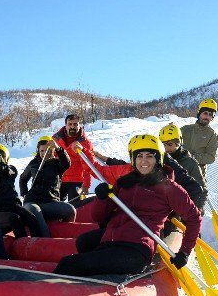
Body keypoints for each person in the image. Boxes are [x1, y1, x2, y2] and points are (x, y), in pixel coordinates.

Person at [53, 135, 201, 277]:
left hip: (136, 248)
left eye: (150, 156)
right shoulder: (125, 182)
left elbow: (194, 218)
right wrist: (103, 198)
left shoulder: (170, 188)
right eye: (139, 156)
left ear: (159, 159)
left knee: (67, 265)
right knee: (84, 242)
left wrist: (184, 252)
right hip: (114, 238)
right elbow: (98, 217)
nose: (144, 161)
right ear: (133, 159)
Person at [19, 135, 76, 237]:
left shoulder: (57, 164)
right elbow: (23, 179)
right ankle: (46, 240)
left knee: (70, 210)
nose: (44, 153)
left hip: (50, 202)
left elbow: (67, 163)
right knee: (35, 210)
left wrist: (59, 148)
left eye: (47, 150)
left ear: (52, 151)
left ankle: (64, 234)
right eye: (41, 151)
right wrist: (24, 193)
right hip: (32, 202)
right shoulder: (33, 163)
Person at [0, 139, 43, 238]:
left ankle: (38, 243)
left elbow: (2, 168)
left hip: (13, 205)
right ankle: (22, 245)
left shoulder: (11, 170)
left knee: (32, 218)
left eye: (1, 156)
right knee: (14, 219)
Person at [159, 122, 207, 209]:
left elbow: (201, 190)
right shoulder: (159, 161)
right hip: (164, 207)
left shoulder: (190, 163)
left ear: (178, 143)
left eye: (170, 144)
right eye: (163, 145)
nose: (166, 148)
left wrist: (197, 210)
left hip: (183, 208)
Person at [52, 114, 94, 203]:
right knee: (55, 206)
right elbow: (50, 160)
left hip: (77, 181)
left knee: (75, 208)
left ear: (79, 125)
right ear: (65, 125)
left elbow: (88, 165)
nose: (72, 127)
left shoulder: (85, 143)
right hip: (59, 179)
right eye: (70, 124)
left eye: (75, 124)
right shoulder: (56, 139)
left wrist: (86, 185)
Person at [180, 98, 218, 179]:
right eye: (205, 113)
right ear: (199, 113)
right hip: (179, 173)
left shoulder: (212, 134)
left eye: (210, 114)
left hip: (197, 176)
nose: (207, 116)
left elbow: (211, 157)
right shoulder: (184, 129)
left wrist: (191, 157)